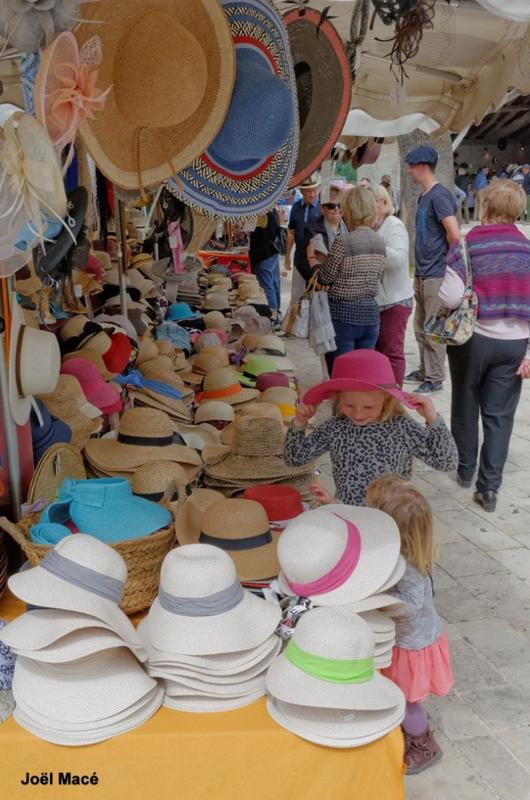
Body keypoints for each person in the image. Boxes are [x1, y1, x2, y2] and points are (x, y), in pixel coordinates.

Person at [439, 179, 530, 512]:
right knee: (500, 417)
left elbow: (449, 296)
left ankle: (465, 471)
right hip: (514, 345)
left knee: (465, 403)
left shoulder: (467, 244)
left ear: (486, 207)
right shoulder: (527, 248)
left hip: (472, 339)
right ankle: (489, 489)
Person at [283, 350, 458, 507]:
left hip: (391, 519)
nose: (358, 414)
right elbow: (294, 458)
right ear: (337, 398)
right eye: (349, 405)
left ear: (387, 399)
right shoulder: (335, 427)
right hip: (349, 516)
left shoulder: (402, 427)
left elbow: (446, 462)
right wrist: (299, 423)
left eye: (369, 407)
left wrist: (433, 419)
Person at [366, 474, 453, 775]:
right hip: (408, 640)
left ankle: (424, 744)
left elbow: (411, 607)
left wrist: (378, 600)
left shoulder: (409, 569)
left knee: (404, 700)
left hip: (411, 645)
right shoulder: (410, 550)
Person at [403, 145, 459, 395]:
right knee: (420, 327)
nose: (409, 171)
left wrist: (449, 266)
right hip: (423, 272)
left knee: (434, 329)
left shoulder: (439, 196)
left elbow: (454, 234)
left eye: (412, 166)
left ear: (423, 166)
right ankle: (426, 371)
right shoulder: (424, 196)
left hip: (436, 273)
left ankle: (435, 378)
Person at [315, 187, 386, 374]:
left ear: (348, 209)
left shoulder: (343, 242)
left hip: (343, 316)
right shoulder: (379, 241)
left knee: (342, 377)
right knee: (361, 376)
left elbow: (325, 278)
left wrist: (315, 262)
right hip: (370, 315)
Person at [371, 184, 412, 387]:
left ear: (383, 203)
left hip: (394, 300)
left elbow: (398, 259)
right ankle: (381, 396)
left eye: (372, 201)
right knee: (379, 353)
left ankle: (394, 400)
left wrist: (372, 246)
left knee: (392, 352)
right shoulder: (374, 226)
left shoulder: (393, 224)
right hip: (378, 301)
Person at [284, 173, 321, 300]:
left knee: (315, 297)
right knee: (298, 296)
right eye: (308, 191)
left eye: (314, 190)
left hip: (317, 259)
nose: (312, 194)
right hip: (299, 257)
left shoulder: (323, 208)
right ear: (301, 191)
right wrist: (287, 256)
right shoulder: (295, 207)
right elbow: (291, 233)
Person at [249, 209, 282, 322]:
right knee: (274, 284)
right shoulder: (272, 212)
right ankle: (277, 314)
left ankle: (273, 317)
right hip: (271, 251)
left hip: (263, 254)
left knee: (267, 287)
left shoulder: (262, 214)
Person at [306, 184, 348, 264]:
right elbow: (304, 262)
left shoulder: (351, 226)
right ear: (322, 208)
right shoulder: (311, 231)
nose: (336, 209)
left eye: (339, 205)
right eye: (331, 205)